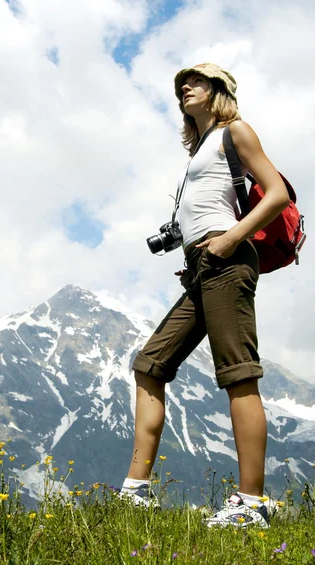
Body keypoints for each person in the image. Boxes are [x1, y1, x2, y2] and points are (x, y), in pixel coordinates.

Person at [120, 63, 289, 527]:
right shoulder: (197, 151)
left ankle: (252, 504)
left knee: (237, 374)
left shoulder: (236, 132)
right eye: (179, 87)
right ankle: (135, 492)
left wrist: (230, 239)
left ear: (218, 90)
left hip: (227, 259)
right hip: (203, 266)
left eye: (194, 82)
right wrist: (195, 256)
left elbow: (276, 194)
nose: (184, 89)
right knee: (150, 364)